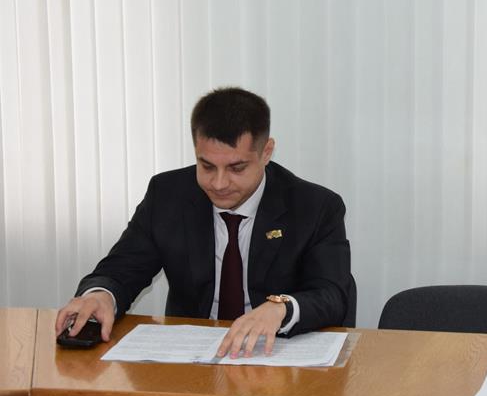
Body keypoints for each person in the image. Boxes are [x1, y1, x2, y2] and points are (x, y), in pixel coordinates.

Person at [55, 87, 355, 358]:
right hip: (190, 360)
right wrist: (101, 296)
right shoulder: (167, 195)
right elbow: (123, 267)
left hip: (274, 358)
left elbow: (331, 294)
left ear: (266, 152)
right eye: (207, 166)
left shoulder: (314, 207)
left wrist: (281, 308)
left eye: (236, 168)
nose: (219, 183)